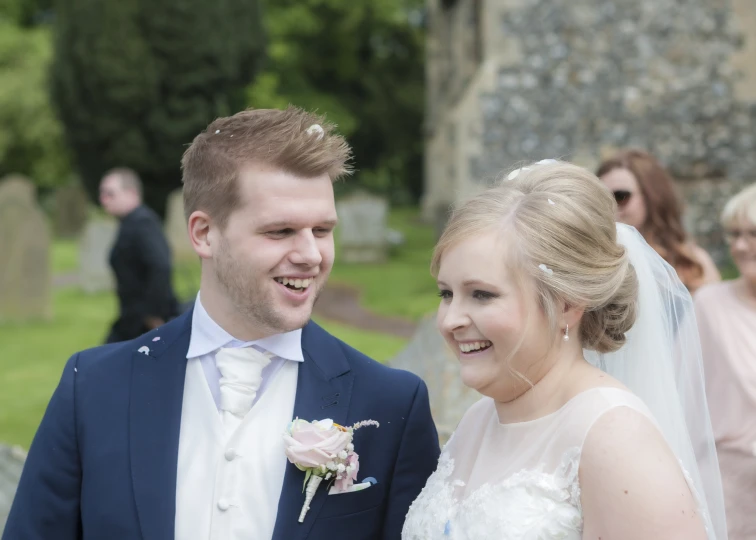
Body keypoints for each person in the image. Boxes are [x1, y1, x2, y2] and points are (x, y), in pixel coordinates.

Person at [3, 107, 440, 540]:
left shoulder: (390, 406)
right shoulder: (93, 388)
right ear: (204, 234)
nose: (311, 255)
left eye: (322, 230)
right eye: (280, 231)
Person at [402, 160, 727, 539]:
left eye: (481, 295)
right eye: (446, 293)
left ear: (567, 304)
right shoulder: (478, 420)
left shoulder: (615, 439)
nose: (450, 320)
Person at [695, 182, 756, 539]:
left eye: (753, 234)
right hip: (729, 483)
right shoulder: (709, 304)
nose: (740, 246)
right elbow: (686, 394)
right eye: (734, 234)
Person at [597, 149, 720, 293]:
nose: (611, 208)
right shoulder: (592, 259)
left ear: (651, 197)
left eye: (621, 196)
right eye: (602, 198)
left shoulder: (691, 262)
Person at [98, 167, 180, 342]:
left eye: (110, 194)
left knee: (100, 364)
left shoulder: (143, 223)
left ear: (132, 193)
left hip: (145, 323)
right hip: (131, 320)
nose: (103, 199)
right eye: (102, 194)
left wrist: (153, 314)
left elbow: (161, 265)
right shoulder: (130, 223)